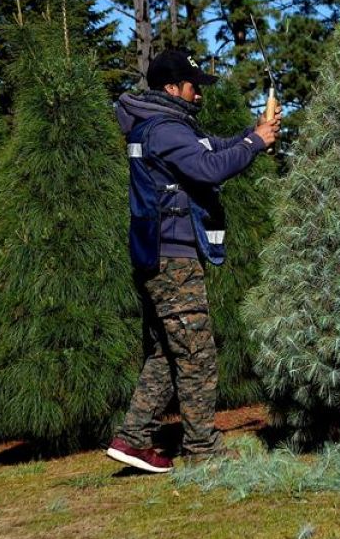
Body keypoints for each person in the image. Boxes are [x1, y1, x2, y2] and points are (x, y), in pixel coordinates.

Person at [107, 50, 280, 473]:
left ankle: (132, 440)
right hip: (173, 259)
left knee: (168, 353)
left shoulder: (167, 126)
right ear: (171, 88)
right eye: (193, 85)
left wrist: (253, 132)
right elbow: (208, 168)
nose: (199, 92)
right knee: (197, 354)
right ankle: (203, 448)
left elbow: (213, 147)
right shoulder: (164, 130)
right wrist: (257, 142)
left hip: (160, 256)